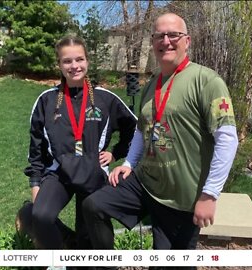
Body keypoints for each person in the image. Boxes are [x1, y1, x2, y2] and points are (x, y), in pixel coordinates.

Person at [82, 12, 239, 259]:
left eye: (173, 35)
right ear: (153, 42)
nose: (166, 41)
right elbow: (140, 129)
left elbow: (228, 139)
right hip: (146, 183)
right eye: (159, 36)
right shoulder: (151, 84)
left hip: (182, 198)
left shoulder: (207, 81)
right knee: (94, 206)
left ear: (187, 41)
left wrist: (210, 194)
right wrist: (129, 164)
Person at [23, 35, 137, 251]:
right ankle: (58, 263)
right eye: (67, 61)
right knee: (41, 216)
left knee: (90, 234)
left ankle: (90, 261)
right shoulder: (47, 100)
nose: (74, 66)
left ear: (87, 62)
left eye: (79, 59)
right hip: (59, 173)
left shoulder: (106, 99)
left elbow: (135, 128)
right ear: (59, 64)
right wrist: (36, 182)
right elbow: (36, 145)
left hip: (93, 172)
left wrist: (116, 153)